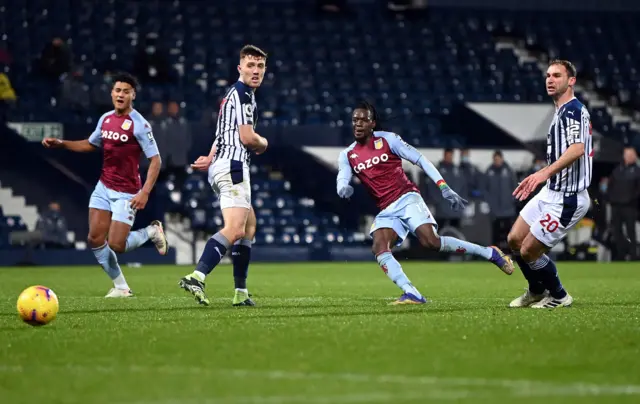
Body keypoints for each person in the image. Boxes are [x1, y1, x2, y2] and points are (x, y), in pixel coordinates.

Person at [336, 101, 514, 305]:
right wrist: (343, 187)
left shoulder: (389, 140)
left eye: (363, 120)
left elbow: (420, 159)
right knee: (379, 246)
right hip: (387, 209)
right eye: (354, 120)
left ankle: (489, 253)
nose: (357, 124)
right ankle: (412, 293)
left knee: (431, 242)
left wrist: (443, 186)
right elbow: (343, 176)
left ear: (372, 123)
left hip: (407, 197)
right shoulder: (348, 154)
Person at [41, 72, 168, 297]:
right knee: (95, 238)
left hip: (127, 192)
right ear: (111, 93)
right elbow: (91, 144)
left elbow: (156, 160)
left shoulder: (139, 125)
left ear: (133, 95)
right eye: (117, 90)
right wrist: (62, 144)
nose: (120, 95)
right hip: (103, 186)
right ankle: (121, 287)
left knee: (117, 244)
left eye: (125, 92)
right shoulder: (106, 119)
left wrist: (145, 192)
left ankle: (151, 231)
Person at [179, 45, 269, 306]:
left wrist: (209, 157)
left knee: (249, 226)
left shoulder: (232, 94)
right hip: (234, 166)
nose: (255, 71)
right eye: (250, 65)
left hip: (222, 164)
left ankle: (240, 292)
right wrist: (264, 143)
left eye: (260, 66)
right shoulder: (242, 95)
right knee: (235, 228)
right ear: (239, 68)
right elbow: (247, 138)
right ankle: (197, 276)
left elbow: (221, 133)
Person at [507, 59, 593, 309]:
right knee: (514, 240)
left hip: (569, 198)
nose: (550, 80)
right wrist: (543, 177)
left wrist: (543, 172)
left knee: (529, 251)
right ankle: (536, 290)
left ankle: (559, 295)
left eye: (556, 75)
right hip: (551, 192)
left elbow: (577, 149)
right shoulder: (561, 111)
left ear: (571, 81)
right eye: (548, 75)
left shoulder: (574, 110)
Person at [607, 146, 640, 260]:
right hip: (616, 205)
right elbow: (610, 186)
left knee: (631, 231)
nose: (629, 157)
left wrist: (631, 199)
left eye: (631, 155)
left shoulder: (637, 171)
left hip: (630, 206)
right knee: (617, 231)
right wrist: (611, 198)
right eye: (627, 155)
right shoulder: (617, 170)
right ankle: (620, 254)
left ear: (635, 156)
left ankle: (634, 255)